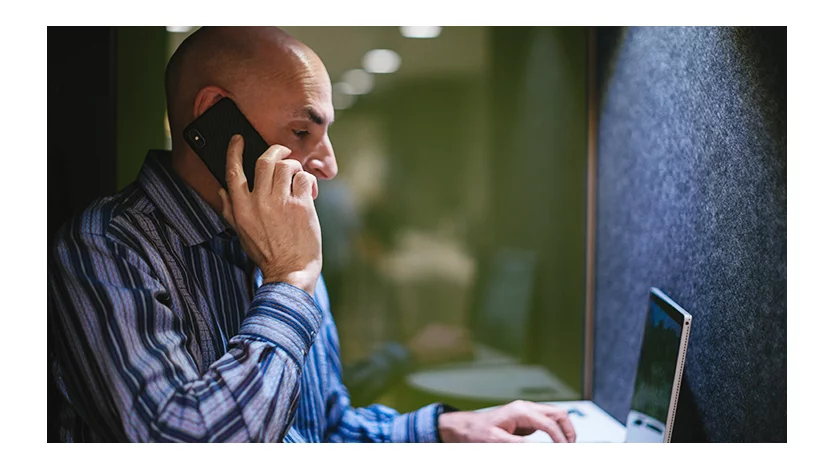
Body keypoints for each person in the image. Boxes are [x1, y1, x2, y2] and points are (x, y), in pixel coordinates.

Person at [47, 26, 576, 443]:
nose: (328, 165)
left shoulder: (287, 249)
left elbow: (321, 430)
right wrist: (287, 283)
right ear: (215, 119)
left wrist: (445, 429)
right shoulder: (105, 248)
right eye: (303, 132)